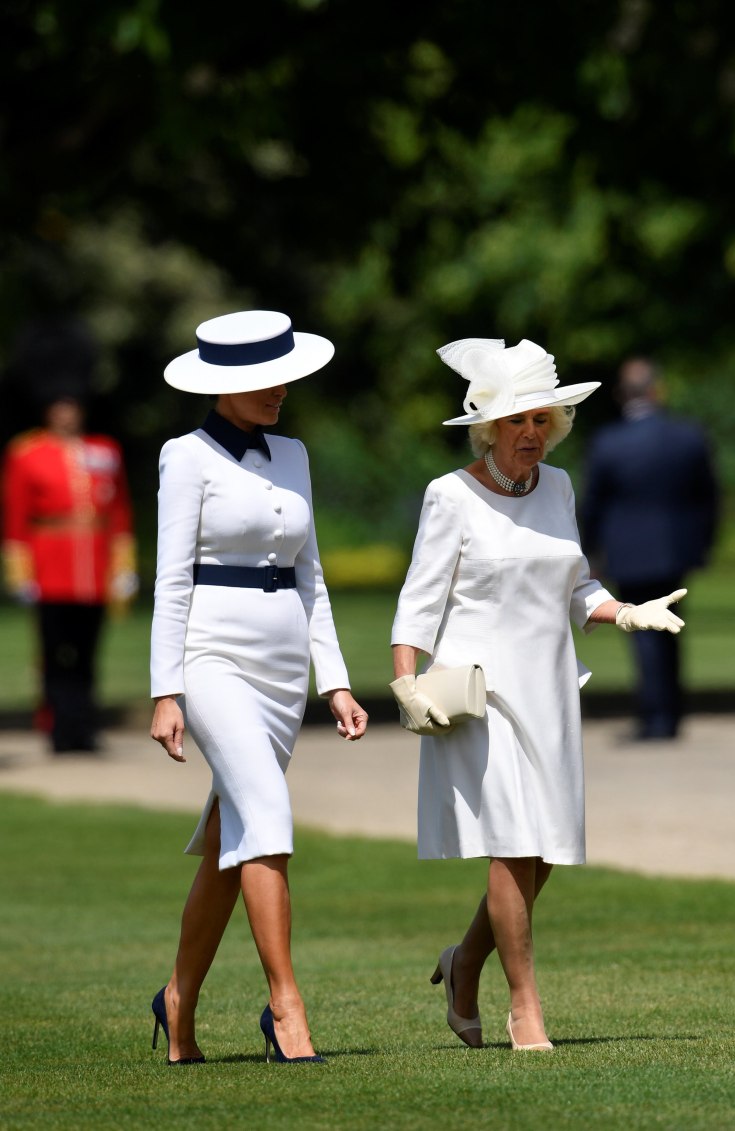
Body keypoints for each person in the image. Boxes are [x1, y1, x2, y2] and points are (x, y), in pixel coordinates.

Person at [390, 337, 686, 1052]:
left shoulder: (557, 487)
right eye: (518, 421)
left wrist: (627, 610)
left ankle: (464, 961)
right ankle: (526, 1004)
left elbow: (576, 585)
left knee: (543, 848)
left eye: (541, 420)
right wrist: (406, 678)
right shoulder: (449, 494)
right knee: (510, 843)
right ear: (490, 427)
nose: (531, 433)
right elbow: (418, 603)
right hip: (480, 694)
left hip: (549, 687)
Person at [149, 309, 368, 1066]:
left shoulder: (295, 453)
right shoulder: (185, 456)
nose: (282, 388)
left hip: (280, 670)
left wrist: (333, 680)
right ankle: (286, 1006)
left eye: (286, 374)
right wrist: (165, 690)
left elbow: (312, 576)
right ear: (225, 384)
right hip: (210, 656)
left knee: (227, 840)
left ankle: (178, 998)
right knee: (268, 815)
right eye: (266, 377)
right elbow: (171, 578)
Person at [581, 357, 718, 740]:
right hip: (675, 549)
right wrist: (703, 544)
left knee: (643, 632)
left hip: (628, 552)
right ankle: (672, 713)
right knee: (672, 629)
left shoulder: (608, 441)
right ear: (658, 389)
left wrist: (590, 552)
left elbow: (593, 504)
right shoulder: (688, 436)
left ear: (623, 394)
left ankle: (655, 716)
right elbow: (708, 498)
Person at [1, 379, 137, 754]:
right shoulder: (27, 453)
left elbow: (119, 511)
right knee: (54, 654)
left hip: (93, 570)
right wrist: (20, 572)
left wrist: (123, 565)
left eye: (72, 406)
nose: (67, 413)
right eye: (60, 406)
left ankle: (83, 727)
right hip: (50, 569)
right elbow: (16, 517)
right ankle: (58, 727)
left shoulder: (104, 450)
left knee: (88, 654)